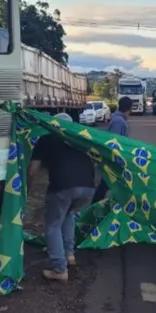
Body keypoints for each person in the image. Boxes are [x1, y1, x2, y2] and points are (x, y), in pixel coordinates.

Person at [27, 112, 98, 282]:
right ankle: (69, 254)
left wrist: (28, 188)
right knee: (68, 214)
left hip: (63, 188)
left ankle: (59, 269)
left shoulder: (47, 139)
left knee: (52, 225)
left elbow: (32, 170)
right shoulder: (79, 140)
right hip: (87, 188)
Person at [92, 96, 133, 204]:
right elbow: (115, 143)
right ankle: (94, 209)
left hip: (113, 160)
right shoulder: (119, 121)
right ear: (128, 109)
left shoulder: (117, 119)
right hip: (114, 161)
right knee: (106, 185)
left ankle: (101, 207)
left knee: (108, 185)